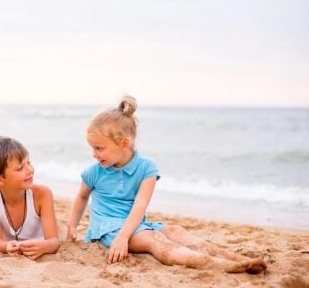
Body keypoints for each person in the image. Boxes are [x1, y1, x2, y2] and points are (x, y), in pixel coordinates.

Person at [67, 95, 266, 274]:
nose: (94, 154)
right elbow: (82, 196)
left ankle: (238, 259)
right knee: (155, 240)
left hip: (135, 225)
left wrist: (125, 234)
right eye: (92, 148)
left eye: (99, 148)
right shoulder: (94, 171)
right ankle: (214, 264)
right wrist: (73, 226)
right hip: (107, 230)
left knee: (175, 231)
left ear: (124, 143)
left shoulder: (147, 168)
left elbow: (140, 205)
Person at [0, 136, 59, 259]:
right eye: (20, 168)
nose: (30, 170)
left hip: (39, 240)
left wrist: (43, 247)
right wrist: (6, 246)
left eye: (29, 163)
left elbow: (53, 241)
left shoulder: (43, 194)